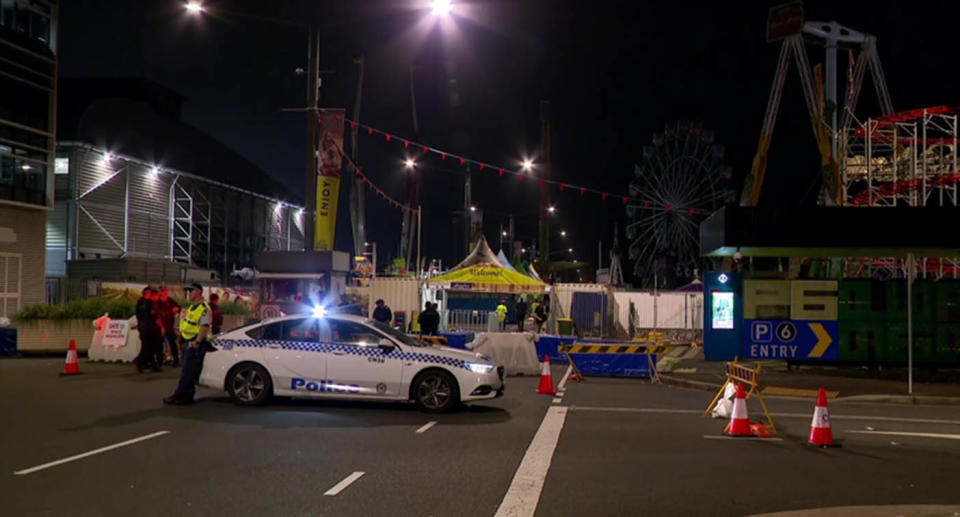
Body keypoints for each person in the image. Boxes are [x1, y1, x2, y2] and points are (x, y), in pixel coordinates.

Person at [163, 283, 212, 405]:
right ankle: (186, 397)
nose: (189, 293)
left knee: (187, 372)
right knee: (188, 372)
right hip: (187, 341)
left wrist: (197, 342)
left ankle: (179, 395)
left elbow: (204, 327)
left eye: (191, 291)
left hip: (194, 343)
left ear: (199, 292)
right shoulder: (191, 307)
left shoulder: (204, 309)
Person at [134, 287, 163, 372]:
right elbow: (154, 316)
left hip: (142, 327)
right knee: (150, 347)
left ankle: (151, 365)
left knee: (147, 346)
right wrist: (161, 327)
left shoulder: (139, 302)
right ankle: (139, 361)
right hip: (150, 328)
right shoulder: (150, 303)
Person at [157, 286, 180, 367]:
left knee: (172, 343)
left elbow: (178, 308)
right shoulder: (157, 302)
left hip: (169, 327)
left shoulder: (170, 301)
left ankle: (176, 360)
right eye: (160, 291)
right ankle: (159, 362)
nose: (161, 293)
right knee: (159, 345)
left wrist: (175, 310)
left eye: (163, 291)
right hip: (160, 327)